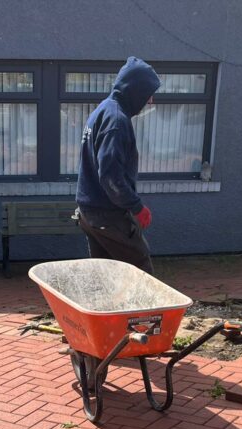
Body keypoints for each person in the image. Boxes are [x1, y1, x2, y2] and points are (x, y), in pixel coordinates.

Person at [75, 57, 161, 273]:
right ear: (136, 90)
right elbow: (110, 177)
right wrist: (137, 207)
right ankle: (147, 299)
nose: (150, 101)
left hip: (90, 212)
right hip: (107, 214)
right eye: (148, 94)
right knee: (140, 270)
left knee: (106, 273)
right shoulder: (116, 120)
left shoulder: (102, 110)